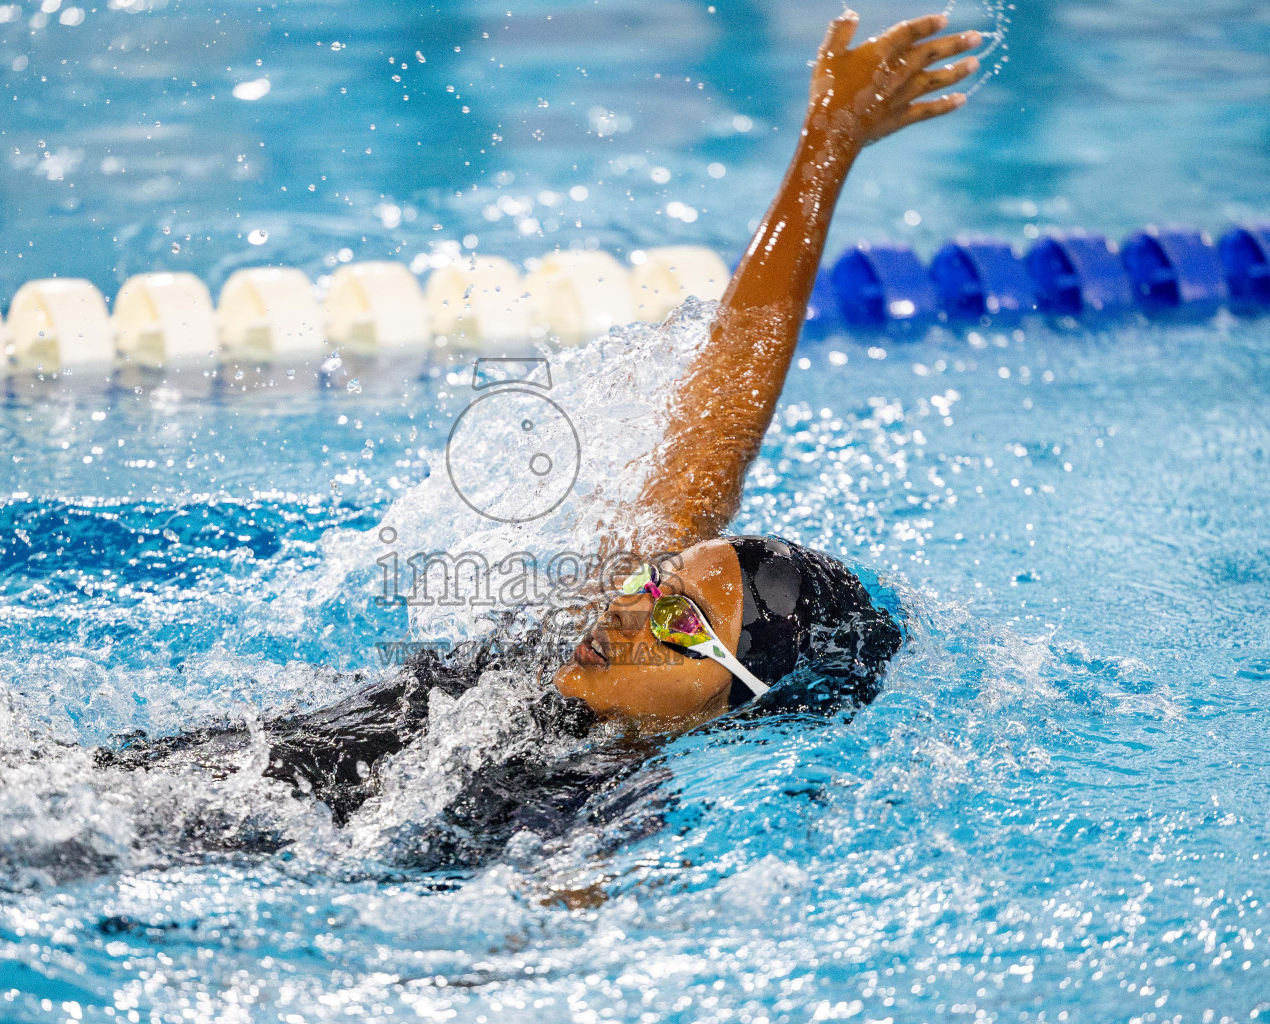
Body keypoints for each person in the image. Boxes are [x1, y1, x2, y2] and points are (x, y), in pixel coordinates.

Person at [103, 11, 981, 863]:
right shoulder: (577, 654)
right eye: (657, 581)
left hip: (147, 854)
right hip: (120, 784)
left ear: (734, 704)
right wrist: (824, 148)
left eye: (681, 619)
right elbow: (723, 413)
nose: (630, 605)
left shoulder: (598, 808)